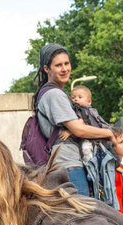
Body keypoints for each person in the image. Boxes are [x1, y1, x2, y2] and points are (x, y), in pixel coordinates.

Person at [33, 44, 113, 196]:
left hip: (65, 163)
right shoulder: (54, 95)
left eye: (66, 63)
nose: (64, 69)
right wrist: (109, 133)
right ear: (46, 69)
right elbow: (79, 129)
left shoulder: (53, 93)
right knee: (82, 215)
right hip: (68, 164)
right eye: (58, 65)